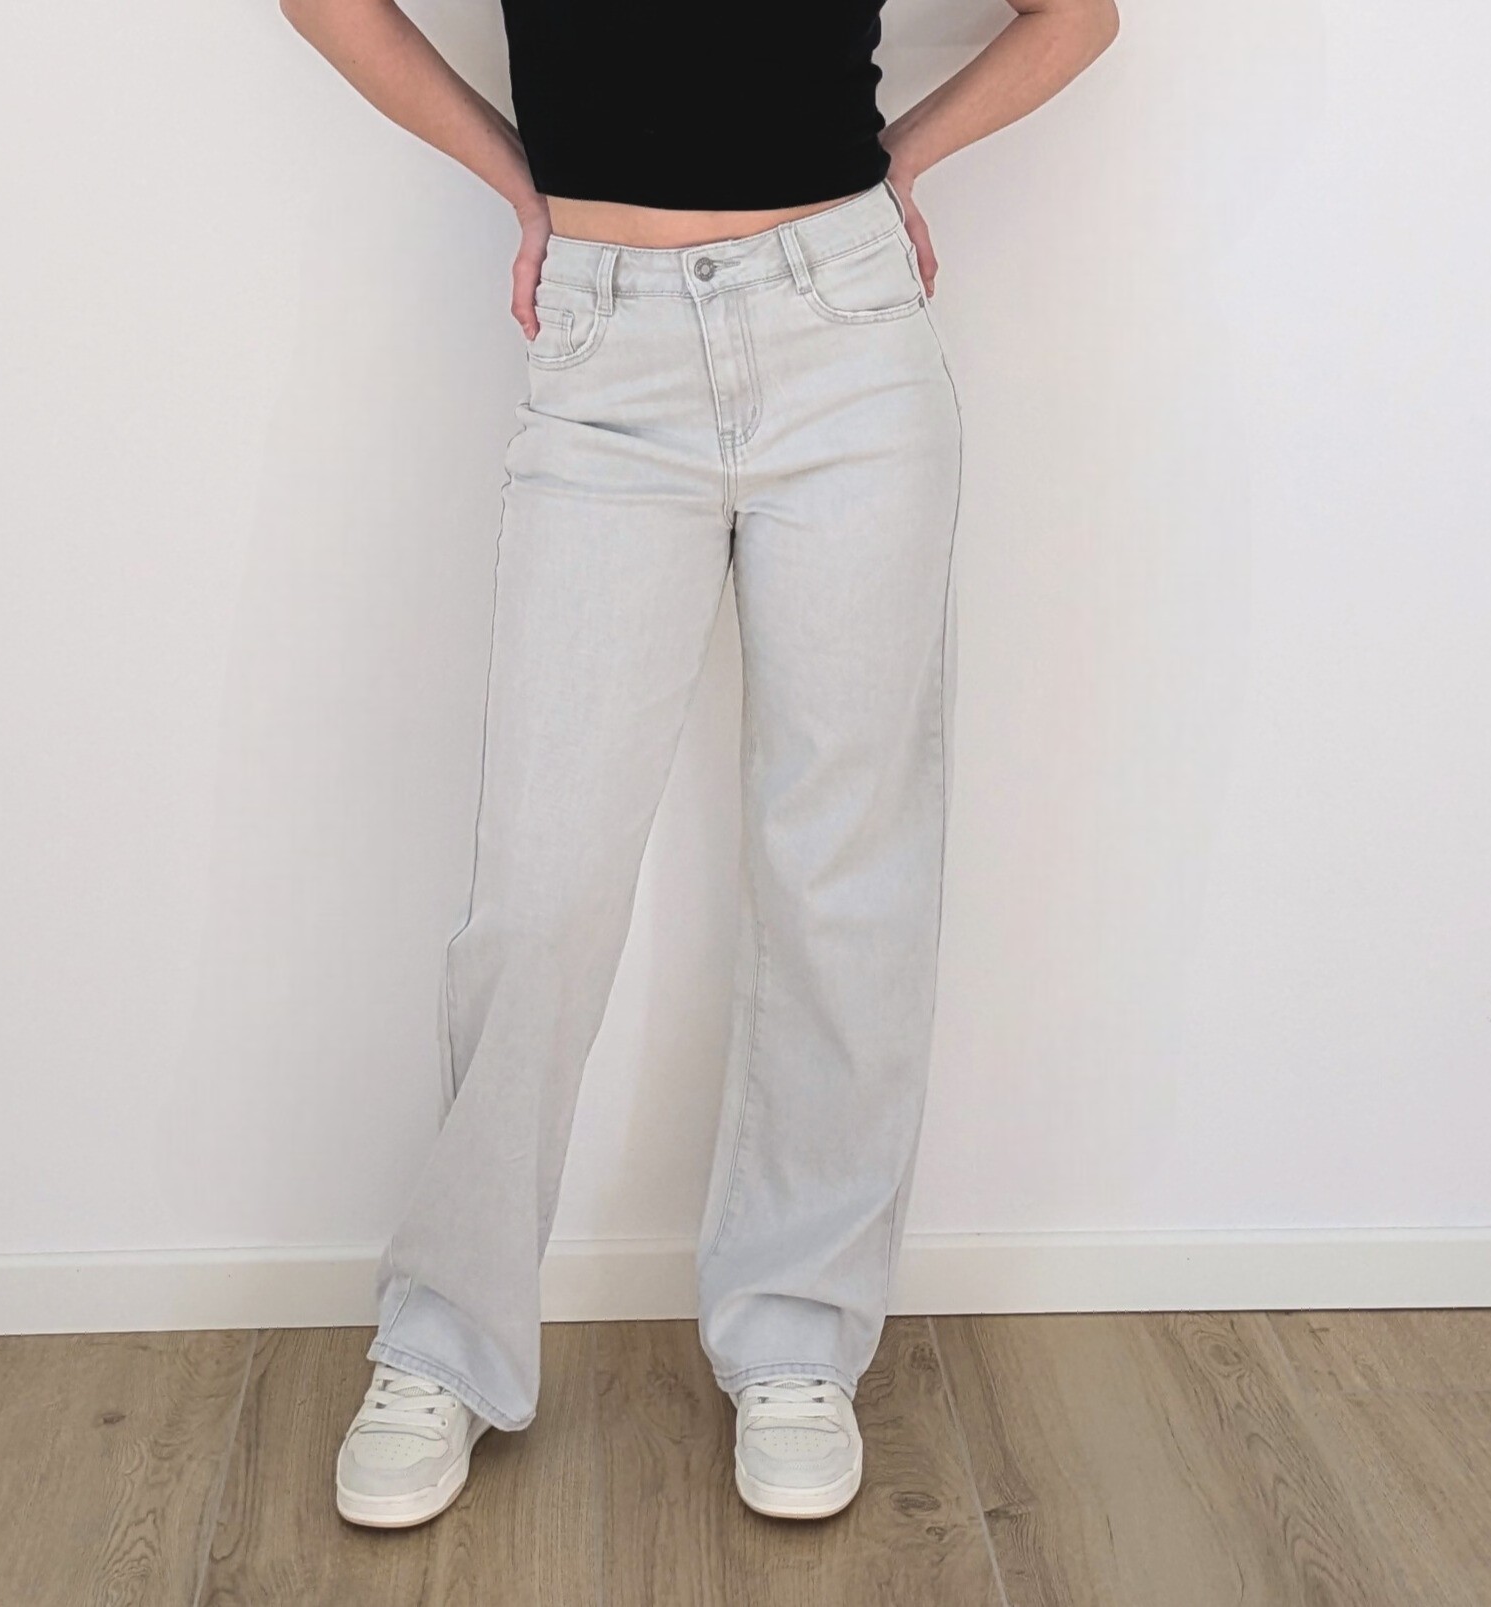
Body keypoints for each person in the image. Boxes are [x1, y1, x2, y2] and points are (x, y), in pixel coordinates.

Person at [281, 0, 1118, 1527]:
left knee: (841, 878)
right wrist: (516, 179)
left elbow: (1079, 18)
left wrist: (904, 162)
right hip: (606, 359)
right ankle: (445, 1338)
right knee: (540, 888)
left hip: (846, 337)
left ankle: (796, 1339)